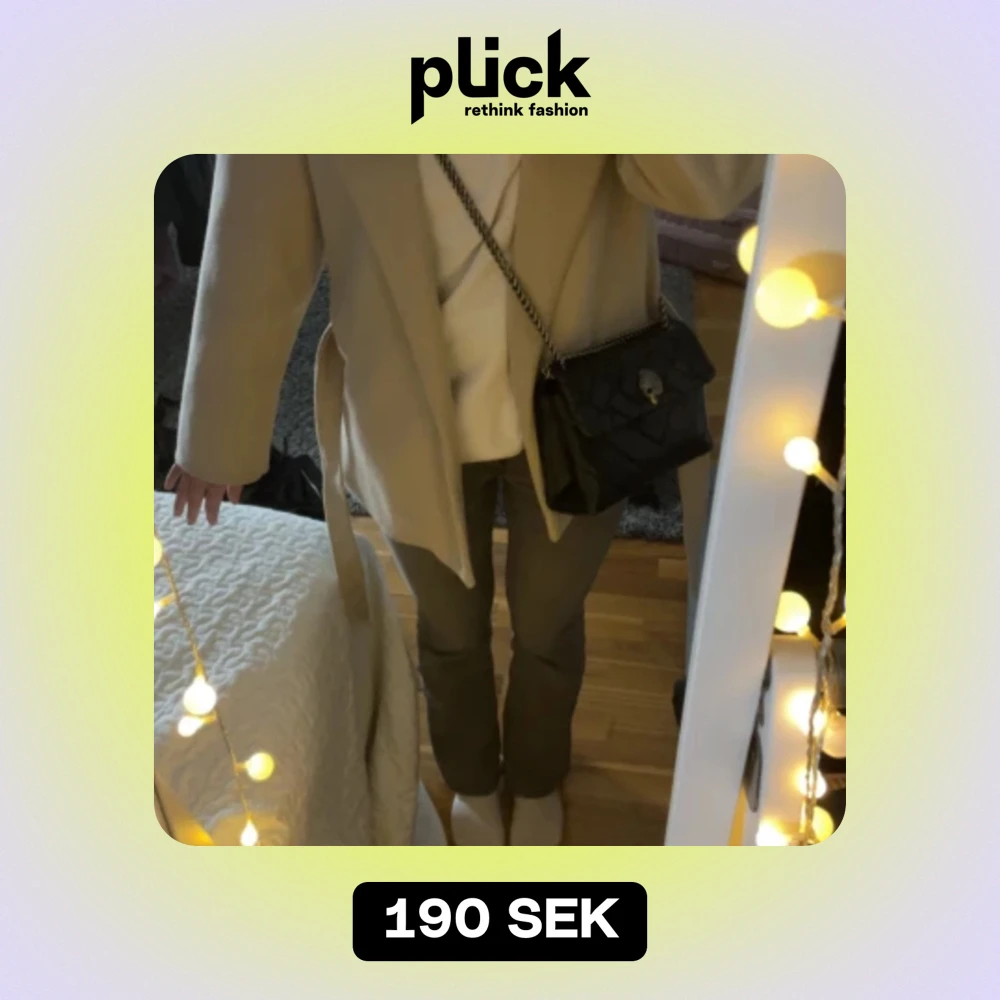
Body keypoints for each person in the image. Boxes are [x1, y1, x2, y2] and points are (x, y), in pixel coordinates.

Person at [166, 154, 766, 845]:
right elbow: (257, 228)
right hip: (402, 408)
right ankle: (473, 776)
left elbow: (706, 183)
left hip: (588, 401)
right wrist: (219, 426)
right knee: (449, 630)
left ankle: (537, 775)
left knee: (550, 622)